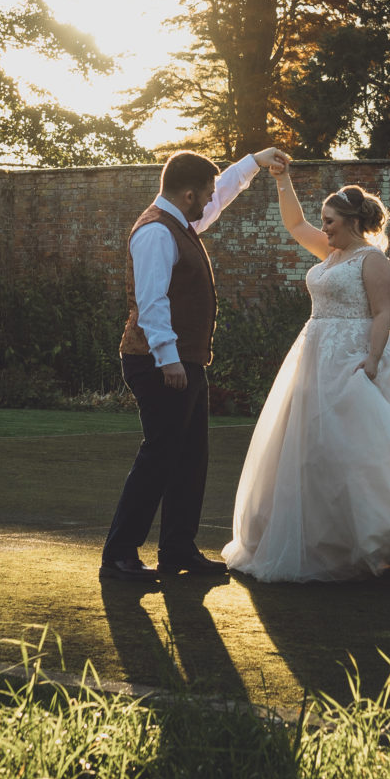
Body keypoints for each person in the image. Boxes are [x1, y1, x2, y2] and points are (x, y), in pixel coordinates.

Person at [222, 158, 390, 582]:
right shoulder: (330, 253)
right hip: (314, 353)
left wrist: (371, 359)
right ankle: (323, 540)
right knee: (312, 448)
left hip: (354, 355)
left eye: (329, 222)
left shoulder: (371, 261)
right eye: (324, 222)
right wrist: (282, 178)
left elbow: (382, 313)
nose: (323, 228)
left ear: (349, 222)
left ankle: (381, 532)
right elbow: (294, 224)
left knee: (357, 448)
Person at [100, 145, 285, 585]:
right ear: (186, 195)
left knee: (190, 458)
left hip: (185, 361)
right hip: (158, 361)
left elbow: (220, 195)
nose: (208, 202)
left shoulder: (180, 220)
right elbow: (151, 302)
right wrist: (169, 359)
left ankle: (177, 550)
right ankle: (120, 555)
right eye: (202, 195)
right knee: (159, 457)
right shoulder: (155, 232)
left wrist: (254, 163)